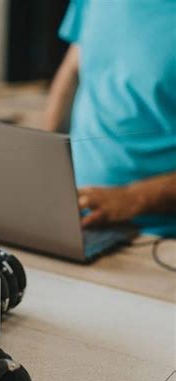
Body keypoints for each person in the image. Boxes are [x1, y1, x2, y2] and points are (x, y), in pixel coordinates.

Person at [44, 0, 176, 236]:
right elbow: (72, 70)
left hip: (157, 239)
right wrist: (42, 160)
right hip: (75, 221)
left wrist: (133, 198)